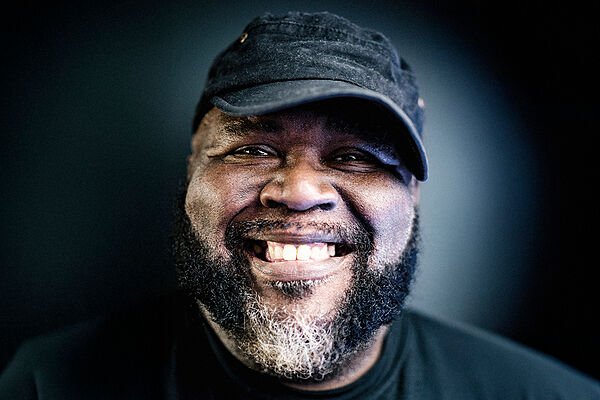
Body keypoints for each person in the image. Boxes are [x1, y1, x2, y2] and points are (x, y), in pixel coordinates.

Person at [0, 11, 598, 400]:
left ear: (412, 198)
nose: (300, 190)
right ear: (192, 172)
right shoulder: (48, 384)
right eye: (253, 149)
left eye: (355, 157)